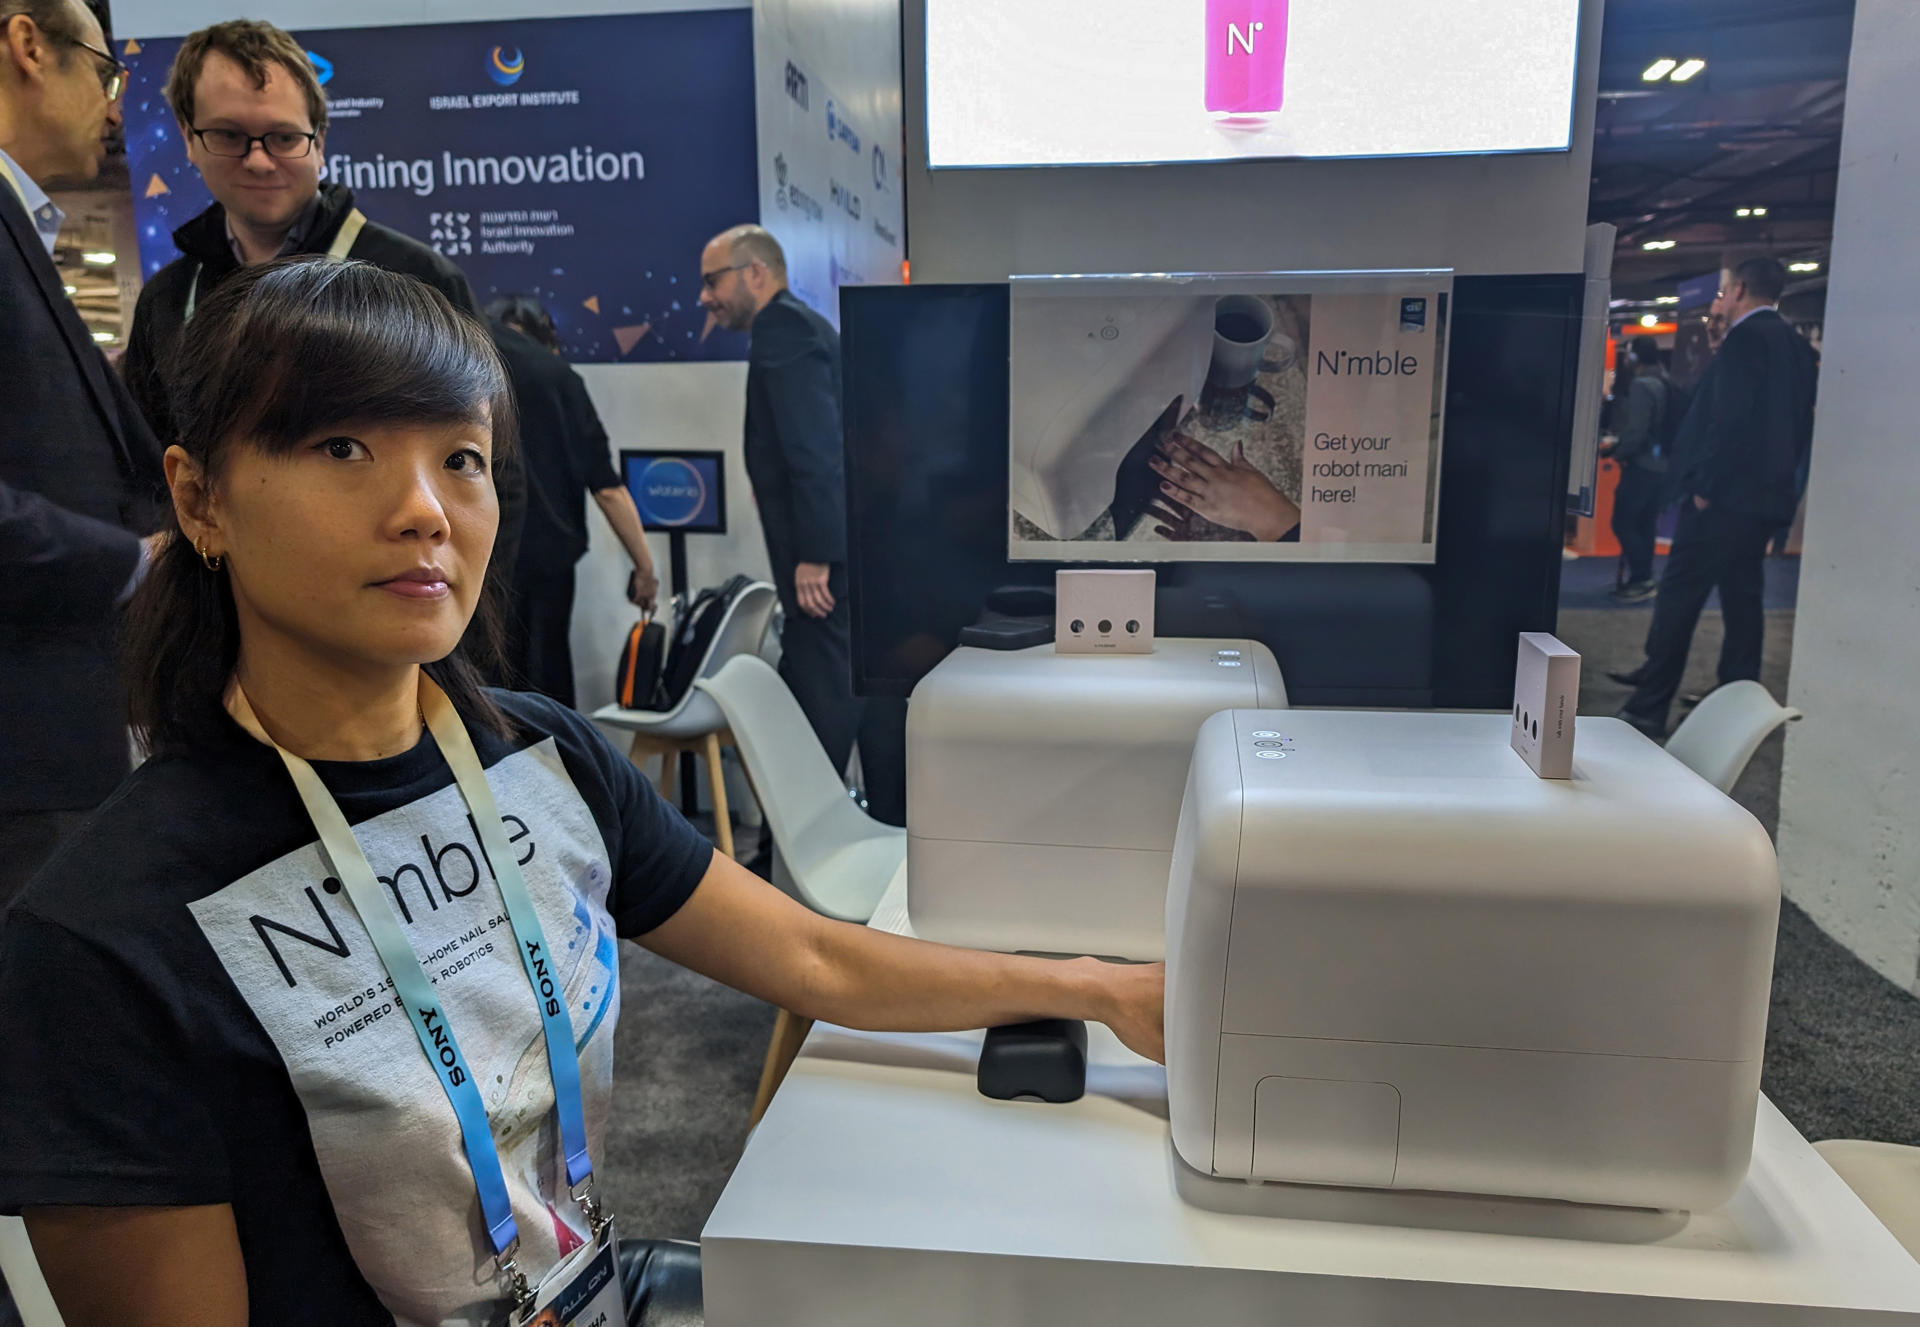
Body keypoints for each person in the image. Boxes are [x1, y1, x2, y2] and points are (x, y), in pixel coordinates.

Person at [0, 258, 1163, 1325]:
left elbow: (815, 961)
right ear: (199, 501)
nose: (425, 510)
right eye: (342, 448)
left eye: (461, 457)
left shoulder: (542, 758)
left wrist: (1090, 988)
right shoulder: (101, 937)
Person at [0, 0, 166, 906]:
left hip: (61, 746)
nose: (115, 110)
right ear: (29, 45)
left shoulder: (23, 227)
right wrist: (128, 562)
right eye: (105, 73)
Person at [1612, 257, 1818, 737]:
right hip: (1765, 500)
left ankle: (1648, 705)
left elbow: (1728, 420)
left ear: (1741, 287)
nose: (1719, 300)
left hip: (1723, 499)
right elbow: (1796, 428)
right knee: (1743, 599)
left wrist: (1706, 487)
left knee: (1680, 596)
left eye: (1725, 292)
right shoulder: (1796, 347)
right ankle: (1737, 701)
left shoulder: (1746, 341)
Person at [695, 226, 865, 770]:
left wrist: (816, 554)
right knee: (813, 683)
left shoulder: (783, 328)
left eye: (712, 281)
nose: (705, 297)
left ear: (755, 273)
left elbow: (815, 449)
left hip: (817, 567)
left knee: (821, 696)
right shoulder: (798, 325)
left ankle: (812, 838)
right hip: (825, 557)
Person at [486, 294, 660, 706]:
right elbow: (608, 488)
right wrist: (645, 568)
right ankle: (552, 768)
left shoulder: (461, 361)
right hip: (547, 564)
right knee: (546, 683)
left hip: (479, 556)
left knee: (483, 683)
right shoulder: (558, 376)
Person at [1601, 336, 1675, 602]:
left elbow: (1637, 431)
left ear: (1634, 358)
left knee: (1623, 522)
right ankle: (1643, 577)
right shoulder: (1665, 380)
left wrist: (1618, 452)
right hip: (1662, 467)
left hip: (1642, 467)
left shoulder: (1642, 385)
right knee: (1643, 524)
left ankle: (1642, 576)